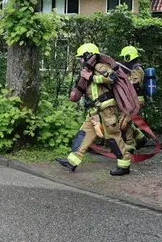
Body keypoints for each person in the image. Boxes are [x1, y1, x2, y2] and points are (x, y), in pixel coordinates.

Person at [56, 43, 131, 176]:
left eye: (81, 58)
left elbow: (112, 77)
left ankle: (124, 164)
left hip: (107, 110)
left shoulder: (99, 66)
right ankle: (72, 161)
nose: (81, 61)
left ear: (87, 55)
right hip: (94, 112)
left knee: (112, 136)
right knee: (84, 134)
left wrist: (91, 77)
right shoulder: (89, 70)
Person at [119, 45, 148, 152]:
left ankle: (129, 147)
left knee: (124, 123)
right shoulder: (132, 69)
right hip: (132, 100)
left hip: (135, 101)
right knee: (127, 122)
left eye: (124, 58)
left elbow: (133, 84)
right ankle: (141, 140)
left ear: (128, 57)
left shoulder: (136, 69)